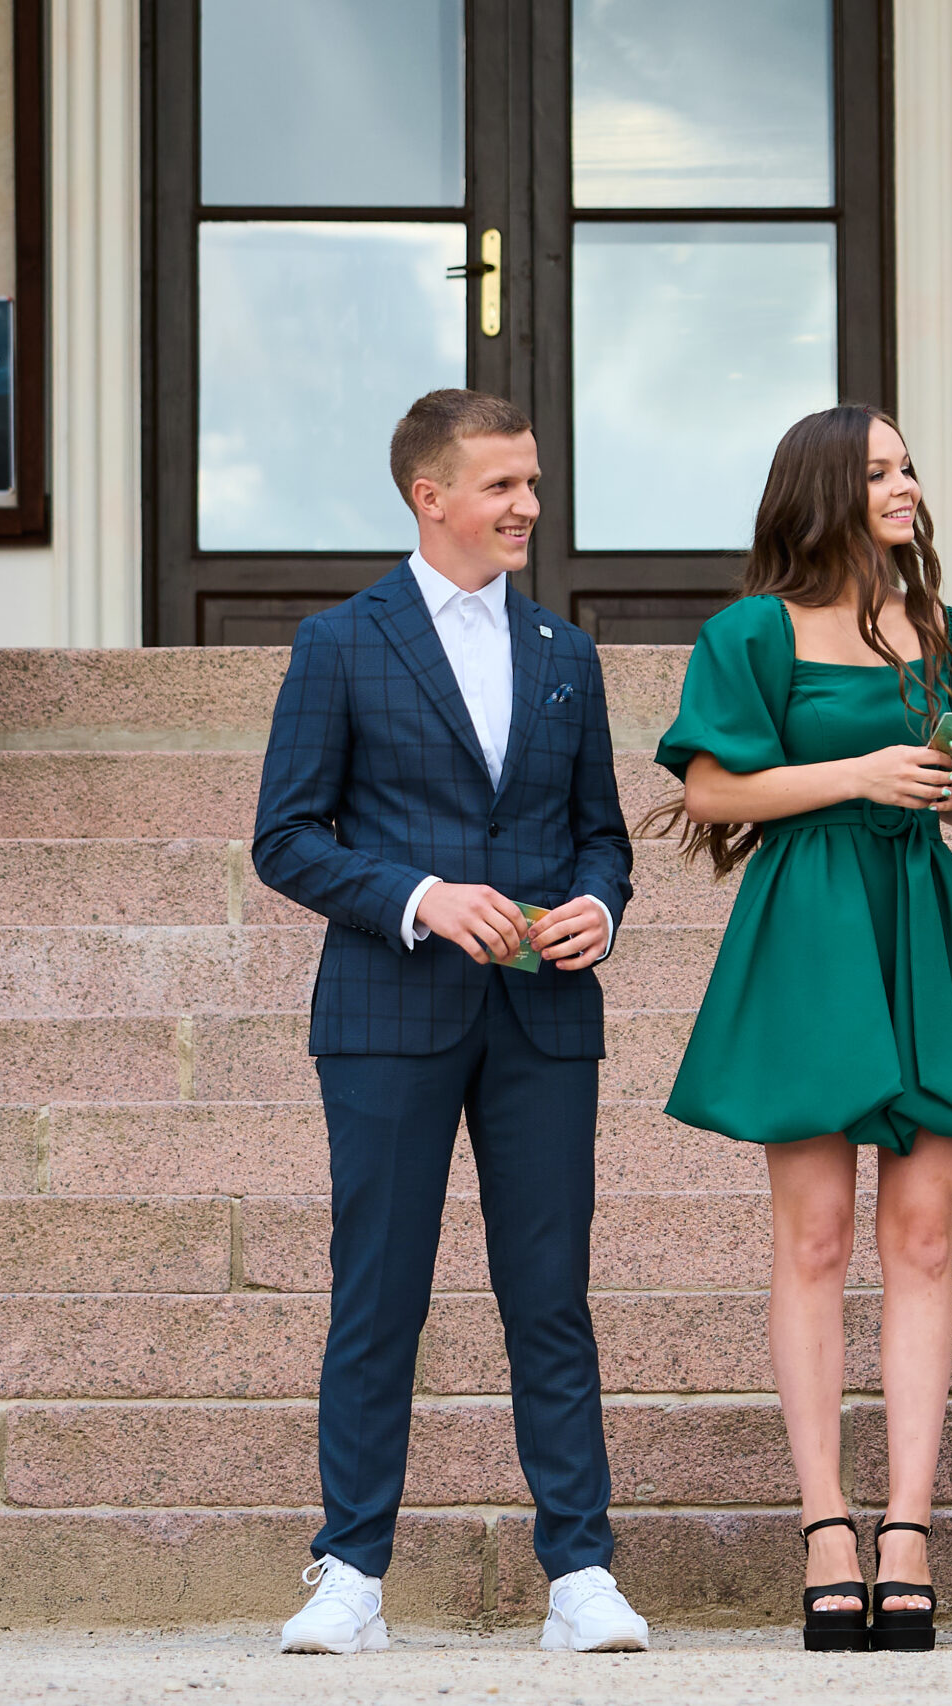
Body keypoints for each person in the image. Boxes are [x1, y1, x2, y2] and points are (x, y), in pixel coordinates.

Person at [253, 389, 645, 1655]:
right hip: (386, 1010)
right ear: (431, 497)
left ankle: (580, 1570)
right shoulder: (339, 643)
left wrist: (597, 905)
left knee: (551, 1295)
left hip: (544, 1015)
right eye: (502, 484)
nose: (528, 503)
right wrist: (420, 896)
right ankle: (351, 1571)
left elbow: (602, 834)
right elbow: (285, 838)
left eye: (531, 481)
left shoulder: (567, 652)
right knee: (377, 1294)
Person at [644, 406, 952, 1653]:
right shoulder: (751, 631)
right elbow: (712, 786)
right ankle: (825, 1524)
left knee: (922, 1236)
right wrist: (859, 773)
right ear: (822, 488)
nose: (905, 484)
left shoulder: (935, 624)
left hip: (919, 919)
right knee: (813, 1237)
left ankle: (908, 1527)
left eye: (908, 464)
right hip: (809, 927)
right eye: (877, 471)